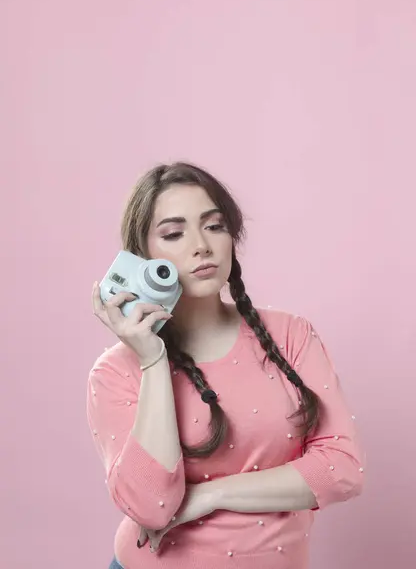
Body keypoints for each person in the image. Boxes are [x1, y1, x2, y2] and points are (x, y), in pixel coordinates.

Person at [87, 162, 365, 569]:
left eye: (214, 226)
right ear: (142, 258)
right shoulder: (115, 373)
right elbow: (151, 508)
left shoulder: (291, 336)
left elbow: (343, 468)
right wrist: (153, 361)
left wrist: (210, 495)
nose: (201, 245)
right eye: (174, 233)